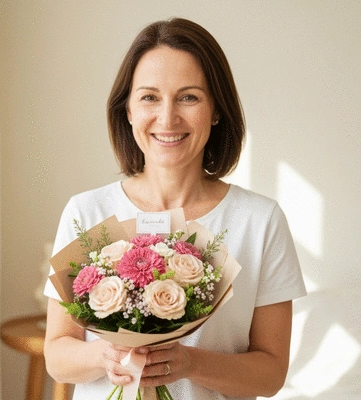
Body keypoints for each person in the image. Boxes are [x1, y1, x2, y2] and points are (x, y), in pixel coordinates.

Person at [44, 17, 306, 400]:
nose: (168, 118)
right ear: (128, 110)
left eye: (189, 97)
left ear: (217, 110)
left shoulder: (260, 221)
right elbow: (57, 354)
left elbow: (270, 375)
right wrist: (108, 354)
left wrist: (189, 363)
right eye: (149, 97)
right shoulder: (86, 212)